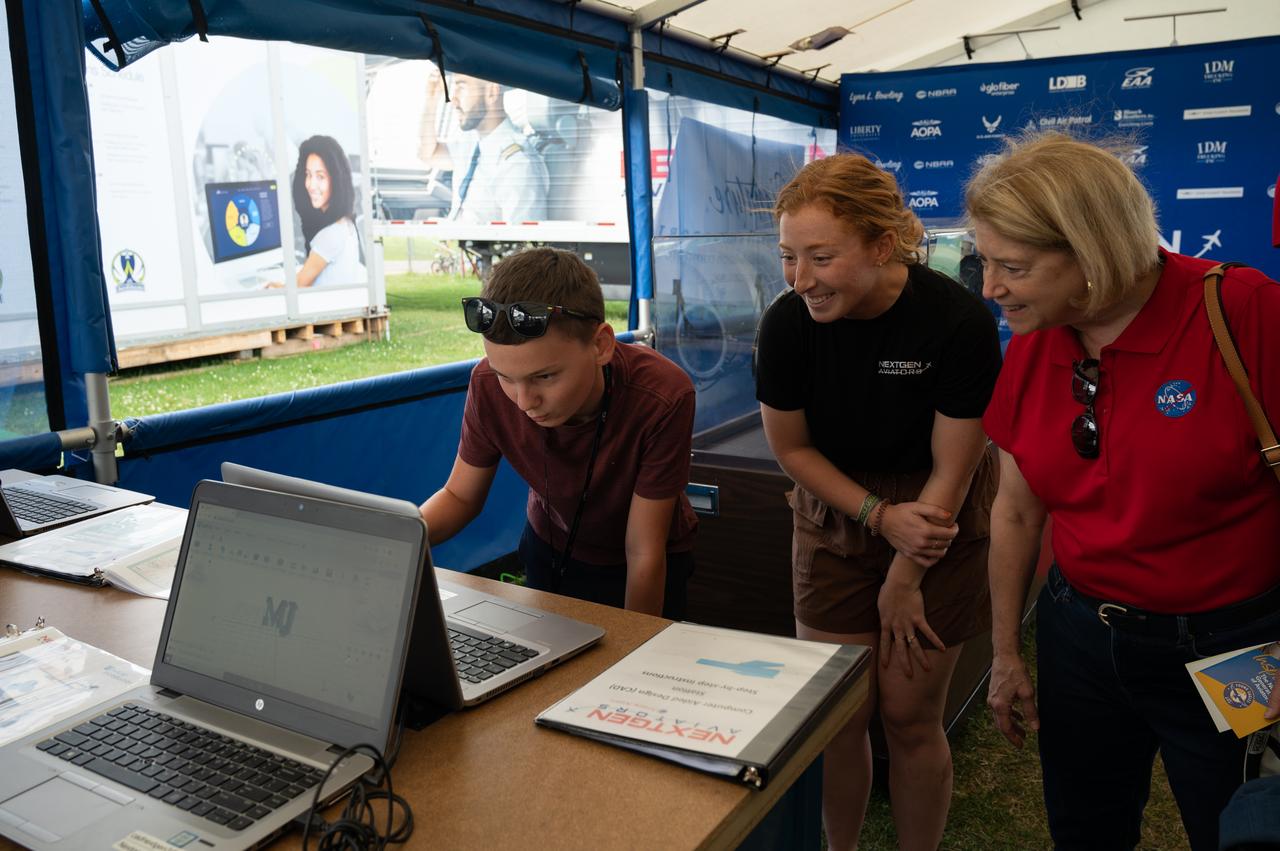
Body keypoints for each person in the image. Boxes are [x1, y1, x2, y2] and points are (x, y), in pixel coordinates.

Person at [972, 132, 1280, 851]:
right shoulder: (1033, 342)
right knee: (1085, 829)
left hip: (1234, 646)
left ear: (1092, 253)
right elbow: (1017, 509)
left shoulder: (1242, 311)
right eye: (985, 260)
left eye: (1011, 266)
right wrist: (1005, 653)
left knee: (1240, 823)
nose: (988, 287)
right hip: (1083, 635)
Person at [755, 153, 1001, 851]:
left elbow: (957, 465)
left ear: (881, 245)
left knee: (909, 717)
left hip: (936, 511)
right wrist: (876, 515)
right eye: (787, 257)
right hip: (835, 505)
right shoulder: (787, 324)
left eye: (821, 257)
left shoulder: (955, 320)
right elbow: (794, 451)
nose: (800, 279)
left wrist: (905, 573)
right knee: (836, 715)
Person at [418, 247, 697, 617]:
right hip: (548, 547)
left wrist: (635, 653)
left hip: (645, 562)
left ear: (601, 346)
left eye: (544, 377)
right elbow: (459, 496)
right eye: (505, 377)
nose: (523, 401)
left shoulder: (663, 396)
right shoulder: (486, 384)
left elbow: (644, 550)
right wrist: (397, 540)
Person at [417, 71, 549, 224]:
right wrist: (431, 100)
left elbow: (525, 240)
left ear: (491, 93)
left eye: (461, 87)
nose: (453, 100)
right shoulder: (471, 140)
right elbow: (428, 154)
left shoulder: (517, 163)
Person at [284, 135, 364, 288]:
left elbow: (297, 287)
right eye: (308, 175)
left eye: (320, 176)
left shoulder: (330, 235)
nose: (311, 185)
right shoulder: (346, 223)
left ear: (336, 179)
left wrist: (273, 287)